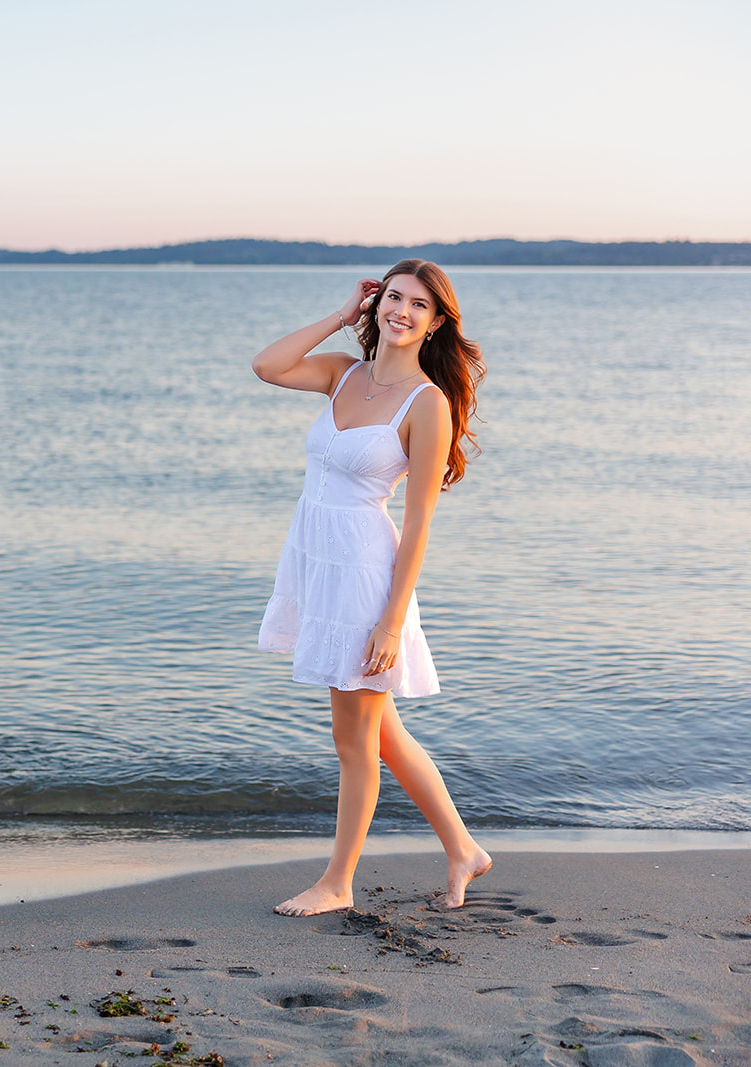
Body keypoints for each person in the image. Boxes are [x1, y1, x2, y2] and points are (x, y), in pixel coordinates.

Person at [251, 260, 490, 916]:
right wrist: (339, 314)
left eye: (418, 304)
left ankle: (337, 881)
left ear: (437, 321)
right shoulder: (341, 372)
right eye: (393, 297)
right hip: (318, 562)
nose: (402, 311)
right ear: (376, 302)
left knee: (354, 740)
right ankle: (463, 848)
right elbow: (267, 365)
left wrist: (390, 621)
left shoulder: (428, 404)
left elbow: (417, 527)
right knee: (381, 733)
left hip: (364, 576)